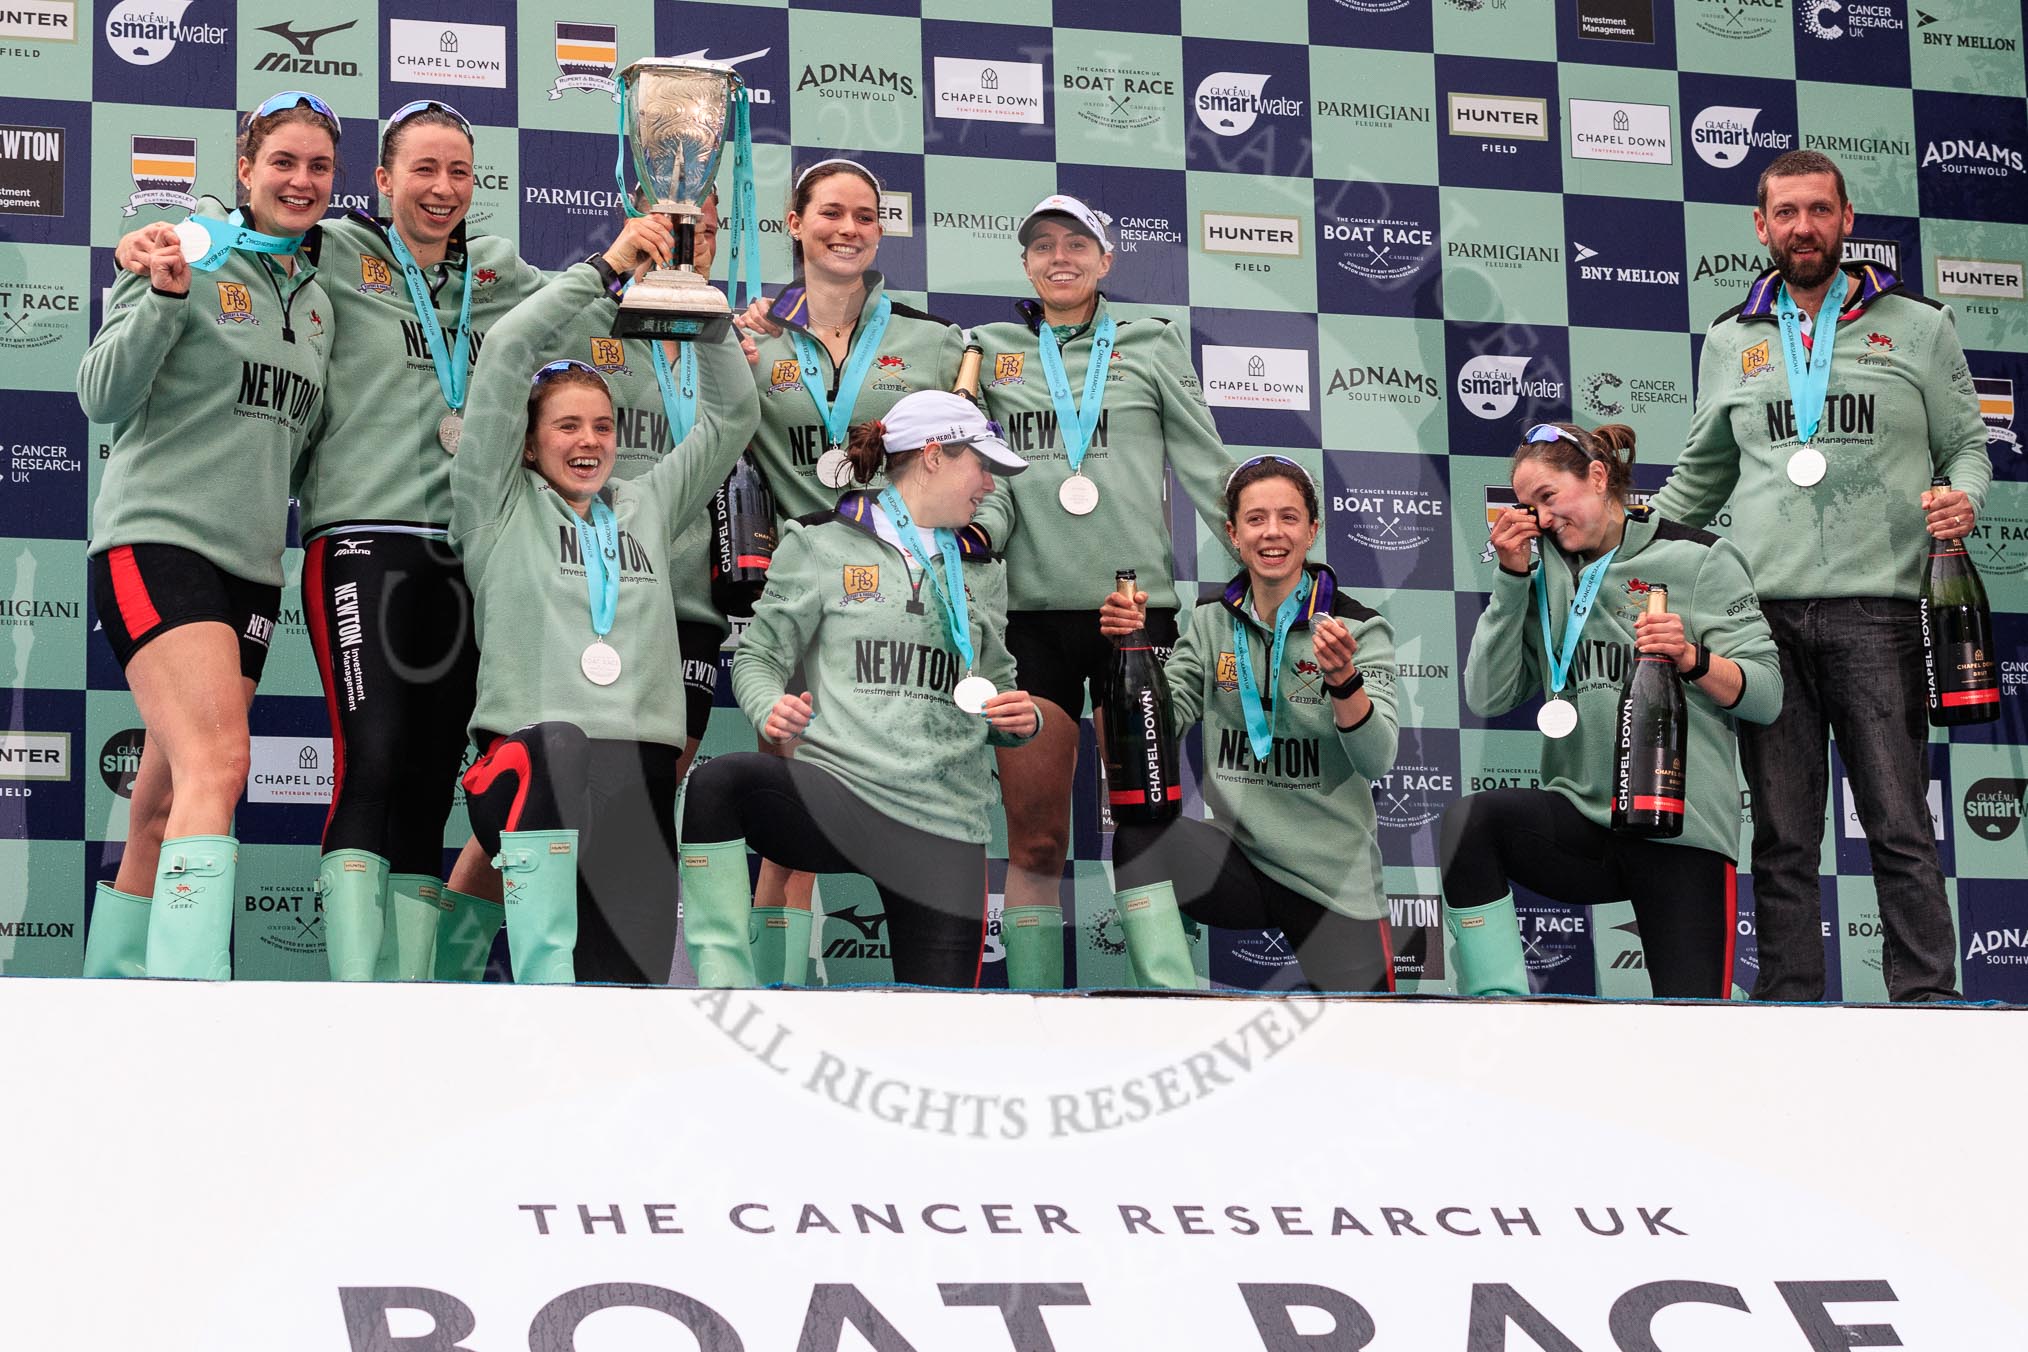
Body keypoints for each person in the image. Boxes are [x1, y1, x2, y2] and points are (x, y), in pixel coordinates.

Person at [1649, 149, 1991, 1003]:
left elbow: (1967, 447)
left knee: (1900, 824)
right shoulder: (1730, 340)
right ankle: (1792, 1005)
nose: (1804, 227)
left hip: (1881, 609)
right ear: (1761, 228)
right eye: (1786, 213)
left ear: (1846, 221)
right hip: (1760, 622)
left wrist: (1966, 500)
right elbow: (1701, 475)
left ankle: (1926, 1003)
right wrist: (1626, 540)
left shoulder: (1919, 324)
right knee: (1784, 835)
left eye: (1819, 211)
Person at [446, 223, 759, 985]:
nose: (588, 442)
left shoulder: (647, 503)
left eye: (603, 426)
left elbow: (732, 418)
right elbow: (510, 351)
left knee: (629, 984)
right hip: (530, 766)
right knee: (551, 977)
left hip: (641, 767)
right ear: (525, 443)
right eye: (566, 426)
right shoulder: (495, 505)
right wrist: (607, 269)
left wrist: (699, 307)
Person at [77, 91, 338, 981]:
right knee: (221, 765)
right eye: (284, 163)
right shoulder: (182, 249)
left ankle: (112, 995)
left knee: (161, 804)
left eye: (318, 167)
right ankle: (191, 1003)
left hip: (251, 572)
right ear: (246, 168)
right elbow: (100, 396)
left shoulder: (319, 296)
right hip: (157, 540)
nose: (301, 182)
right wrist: (160, 297)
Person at [680, 391, 1039, 989]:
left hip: (945, 820)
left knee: (939, 1025)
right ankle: (723, 991)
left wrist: (1021, 720)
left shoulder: (982, 566)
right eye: (981, 466)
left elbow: (998, 686)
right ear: (932, 456)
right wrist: (769, 707)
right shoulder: (819, 542)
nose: (989, 487)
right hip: (840, 797)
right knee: (720, 784)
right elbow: (758, 657)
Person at [971, 194, 1236, 989]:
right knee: (1037, 838)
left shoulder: (1151, 344)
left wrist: (1276, 569)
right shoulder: (988, 350)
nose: (1060, 256)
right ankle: (1031, 1004)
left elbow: (1205, 463)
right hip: (1030, 622)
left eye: (1078, 243)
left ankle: (1166, 991)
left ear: (1106, 259)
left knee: (1147, 818)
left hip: (1135, 616)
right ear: (1024, 263)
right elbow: (979, 479)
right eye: (1043, 244)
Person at [1444, 422, 1782, 999]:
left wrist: (1691, 657)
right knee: (1470, 824)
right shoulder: (1539, 566)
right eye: (1528, 507)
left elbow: (1767, 695)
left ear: (1598, 477)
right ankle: (1495, 1008)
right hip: (1584, 824)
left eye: (1549, 498)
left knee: (1693, 1025)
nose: (1542, 520)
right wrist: (1509, 579)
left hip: (1680, 830)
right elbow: (1487, 695)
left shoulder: (1698, 558)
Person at [730, 158, 965, 983]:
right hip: (794, 588)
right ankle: (773, 1000)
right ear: (793, 225)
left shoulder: (931, 342)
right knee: (790, 814)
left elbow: (971, 469)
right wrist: (732, 347)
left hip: (891, 596)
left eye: (866, 216)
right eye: (830, 213)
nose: (849, 229)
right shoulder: (752, 337)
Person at [1097, 456, 1399, 992]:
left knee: (1368, 1049)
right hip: (1240, 861)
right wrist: (1130, 650)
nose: (1273, 532)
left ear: (1312, 529)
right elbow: (1159, 726)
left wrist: (1344, 681)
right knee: (1141, 838)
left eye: (1288, 517)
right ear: (1234, 534)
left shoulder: (1358, 627)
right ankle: (1169, 1007)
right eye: (1256, 519)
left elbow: (1377, 760)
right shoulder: (1211, 619)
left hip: (1332, 882)